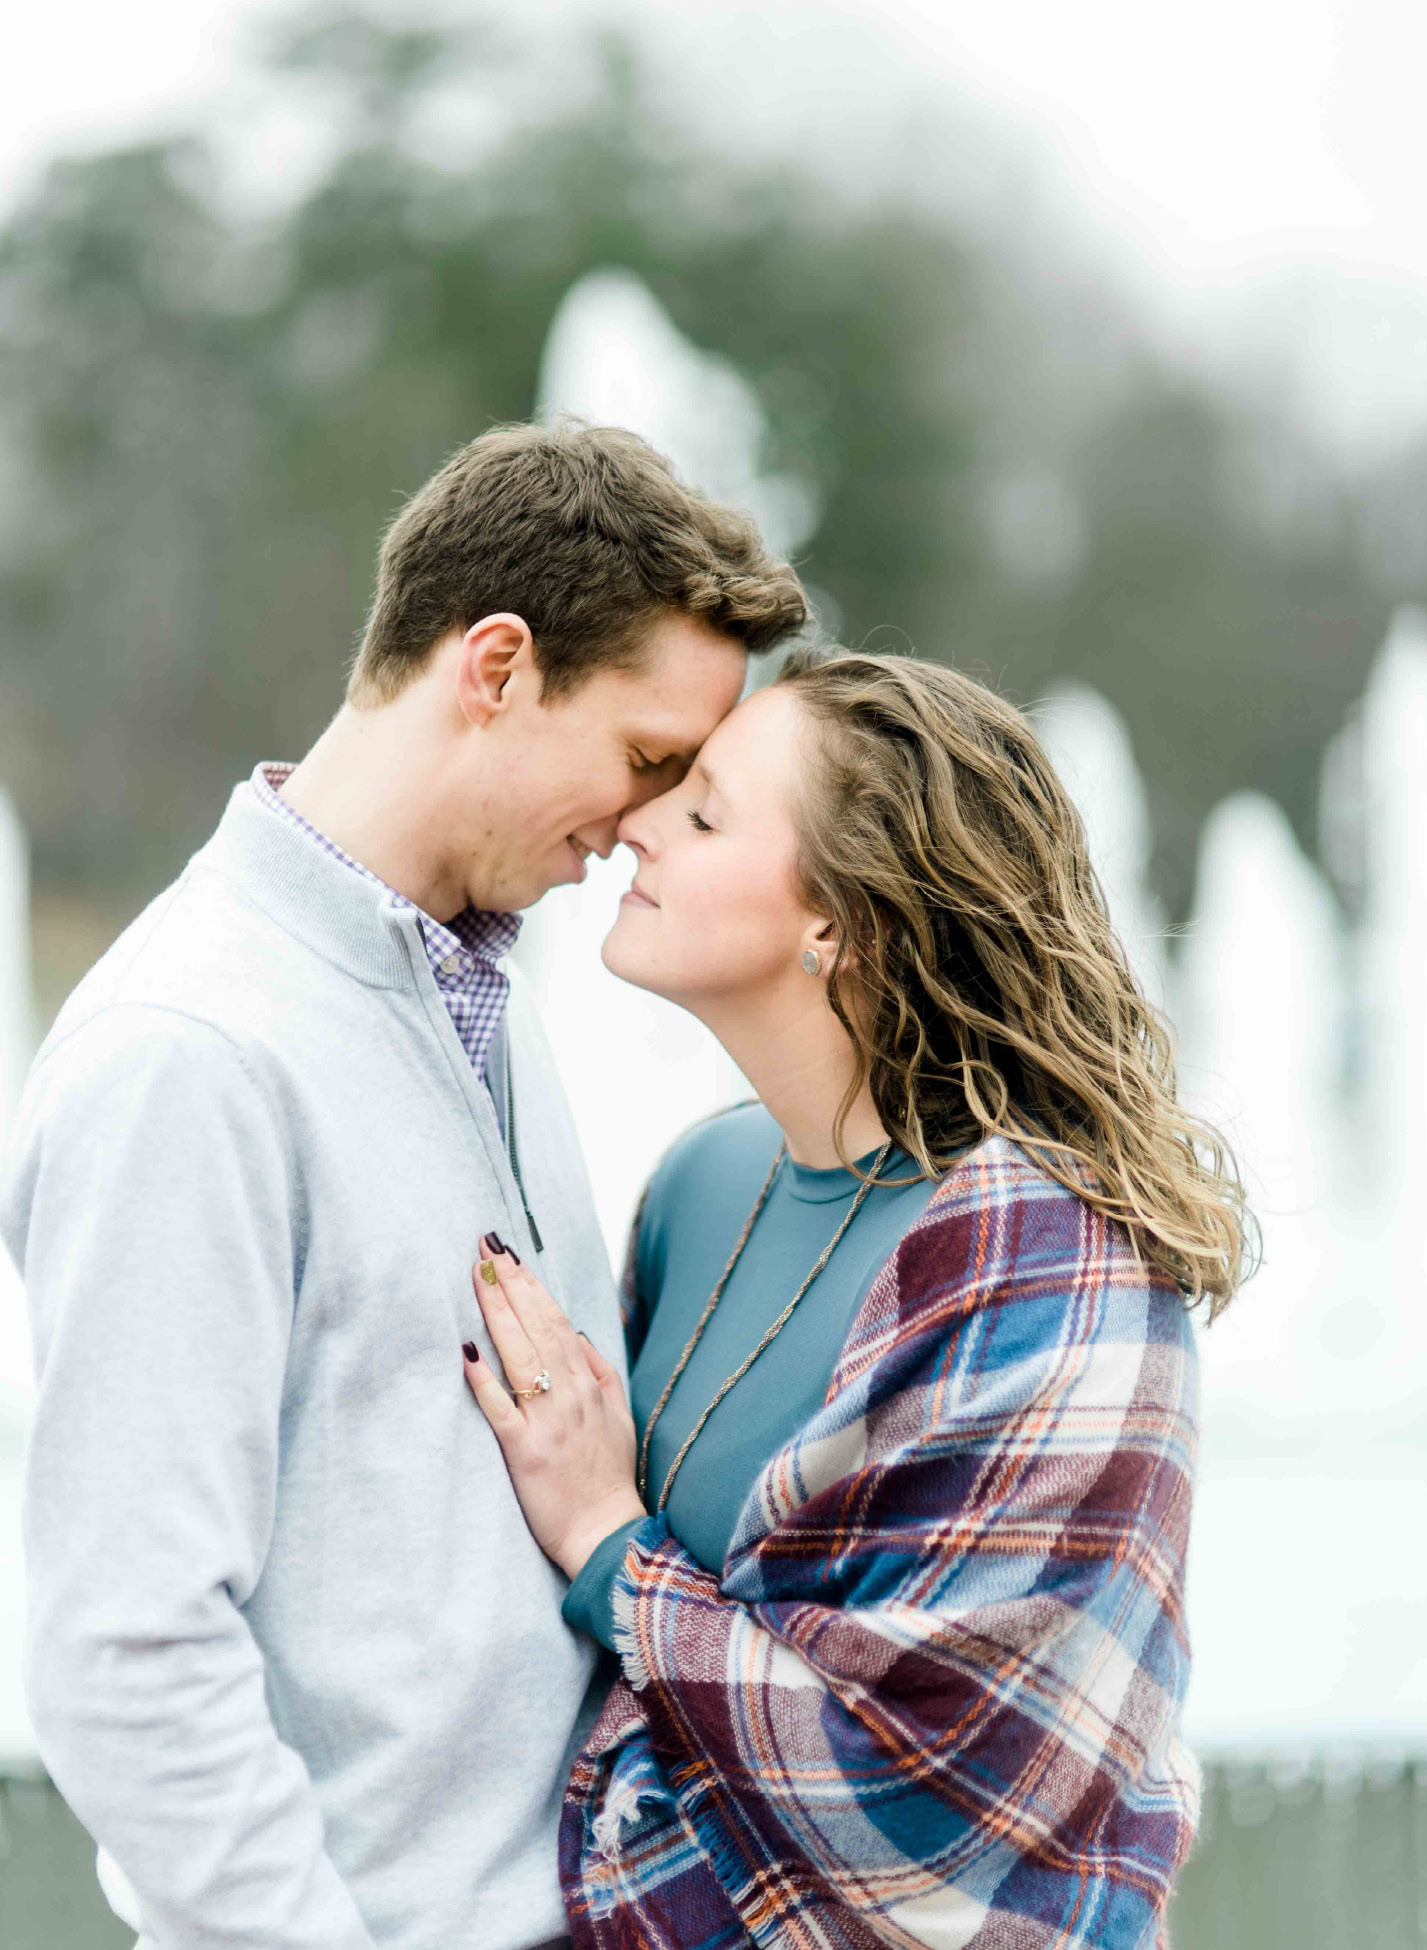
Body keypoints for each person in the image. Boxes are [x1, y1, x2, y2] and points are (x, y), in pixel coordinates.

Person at [0, 420, 808, 1950]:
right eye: (647, 760)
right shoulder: (189, 1050)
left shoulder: (480, 993)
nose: (648, 826)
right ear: (494, 667)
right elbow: (125, 1651)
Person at [456, 647, 1244, 1948]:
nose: (633, 824)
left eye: (701, 811)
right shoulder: (700, 1185)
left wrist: (609, 1539)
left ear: (840, 921)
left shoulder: (1052, 1256)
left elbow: (942, 1778)